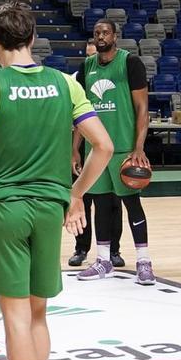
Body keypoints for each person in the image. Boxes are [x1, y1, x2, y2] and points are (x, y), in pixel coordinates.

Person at [0, 0, 113, 360]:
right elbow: (103, 146)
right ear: (31, 39)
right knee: (39, 314)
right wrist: (76, 193)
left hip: (6, 207)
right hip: (50, 208)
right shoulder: (66, 84)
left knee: (14, 318)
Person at [73, 19, 156, 284]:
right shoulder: (87, 66)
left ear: (115, 36)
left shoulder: (130, 63)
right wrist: (75, 148)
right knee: (101, 206)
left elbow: (142, 108)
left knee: (132, 204)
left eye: (105, 32)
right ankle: (103, 260)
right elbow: (80, 112)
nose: (100, 36)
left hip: (123, 148)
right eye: (97, 33)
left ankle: (144, 261)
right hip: (95, 149)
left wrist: (139, 147)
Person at [69, 42, 122, 267]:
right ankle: (81, 248)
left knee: (111, 203)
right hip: (87, 146)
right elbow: (78, 121)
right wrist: (74, 150)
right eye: (89, 54)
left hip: (112, 146)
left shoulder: (118, 75)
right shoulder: (79, 76)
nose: (93, 58)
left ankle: (113, 250)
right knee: (82, 197)